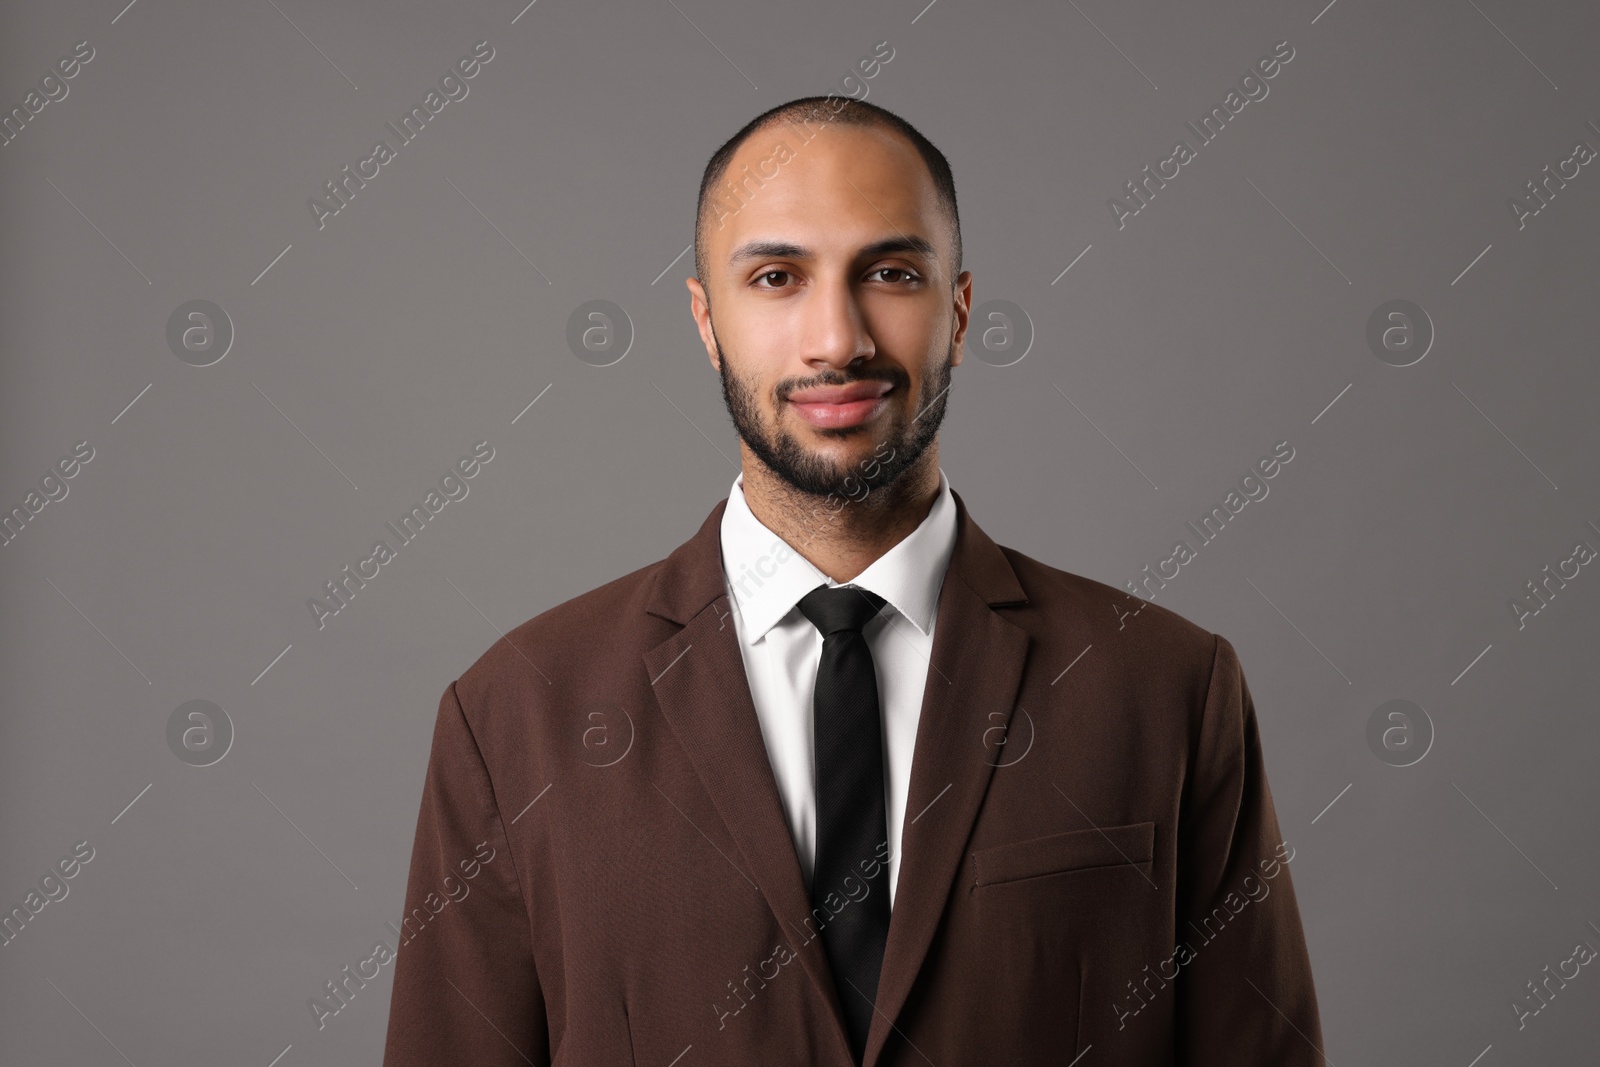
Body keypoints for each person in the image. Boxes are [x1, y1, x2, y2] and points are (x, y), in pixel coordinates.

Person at [382, 95, 1325, 1067]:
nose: (836, 337)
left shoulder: (1166, 687)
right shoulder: (512, 716)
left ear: (958, 312)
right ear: (707, 321)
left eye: (889, 272)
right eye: (777, 276)